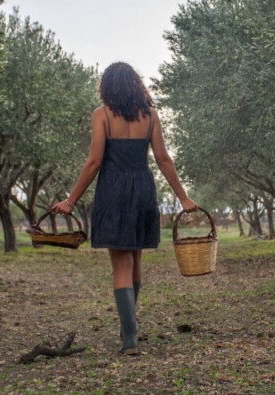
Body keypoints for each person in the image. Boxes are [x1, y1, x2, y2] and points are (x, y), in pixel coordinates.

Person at [52, 62, 197, 355]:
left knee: (121, 264)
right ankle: (129, 326)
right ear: (136, 85)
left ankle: (129, 337)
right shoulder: (151, 116)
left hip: (114, 191)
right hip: (142, 189)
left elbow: (94, 162)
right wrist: (183, 197)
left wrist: (70, 201)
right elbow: (163, 159)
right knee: (135, 260)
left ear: (107, 87)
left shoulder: (102, 115)